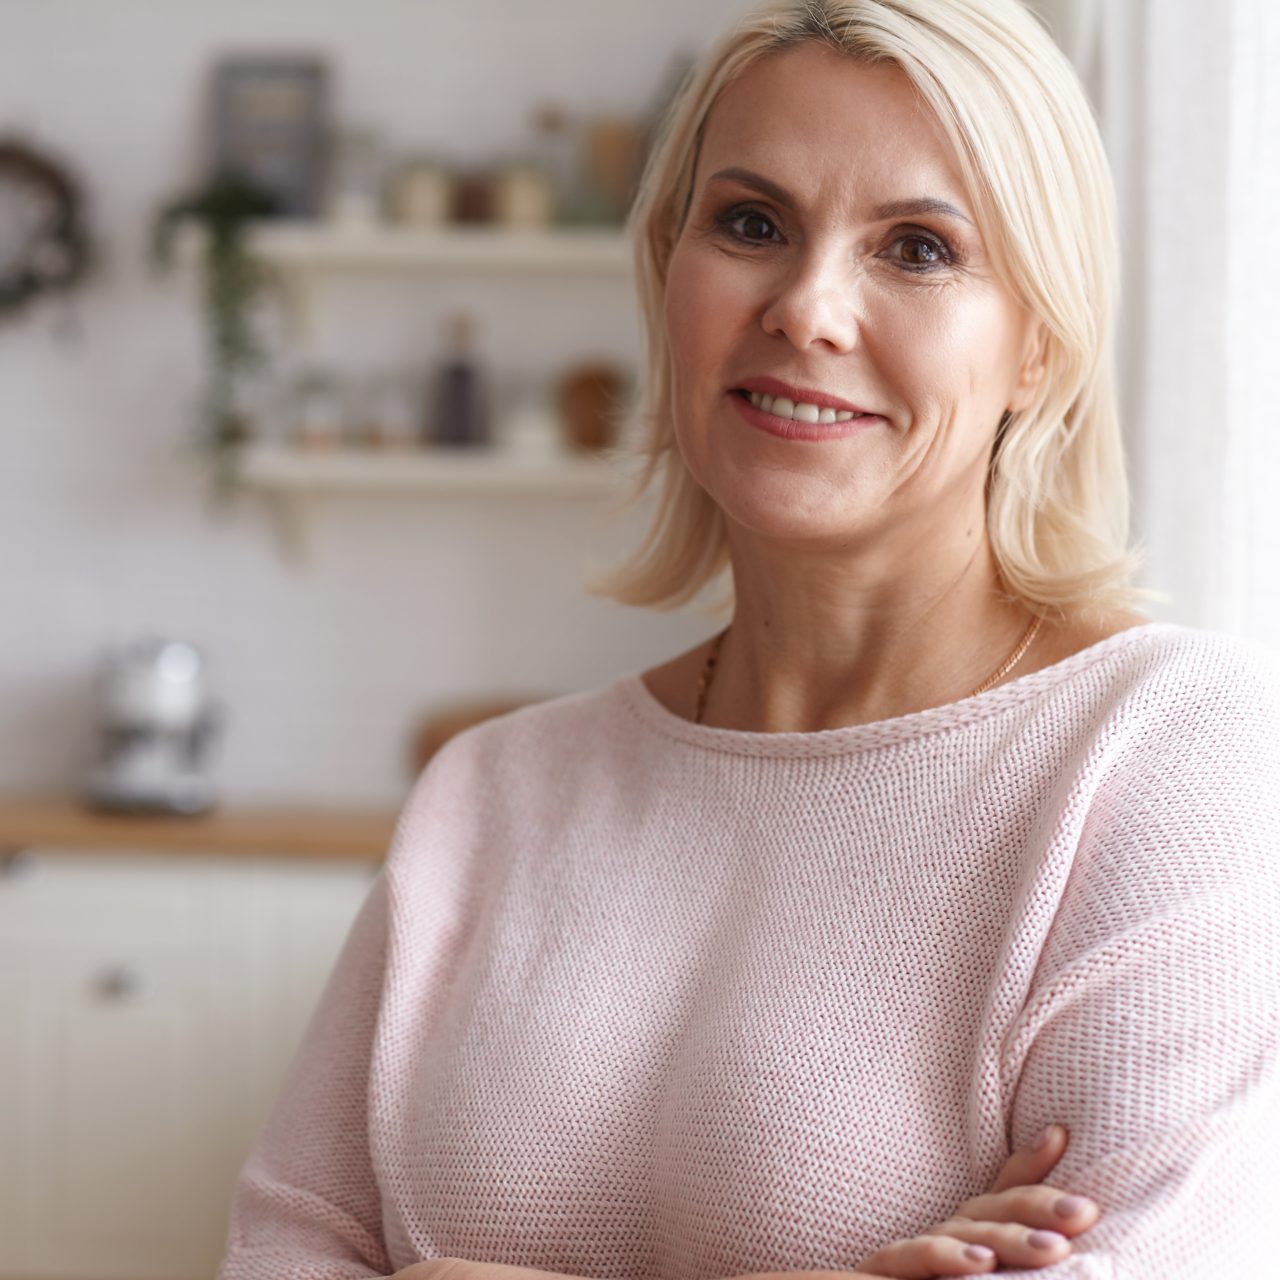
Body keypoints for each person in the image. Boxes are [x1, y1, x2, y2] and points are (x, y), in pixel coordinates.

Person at [216, 1, 1280, 1278]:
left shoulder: (1174, 748)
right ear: (668, 271)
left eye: (919, 248)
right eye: (750, 224)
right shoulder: (490, 792)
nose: (806, 307)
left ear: (1037, 348)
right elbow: (283, 1246)